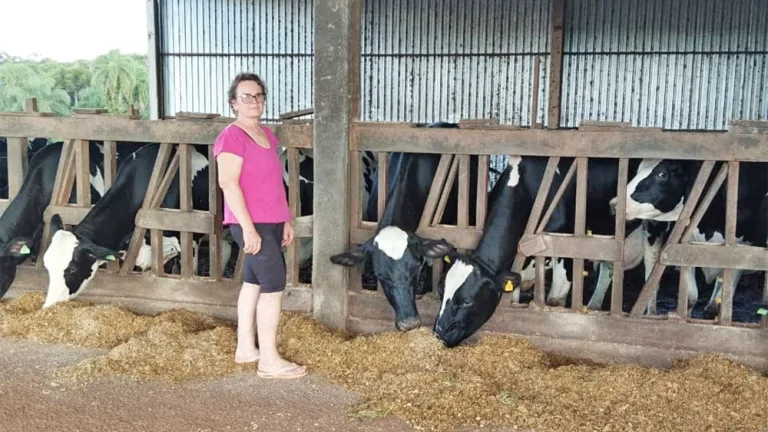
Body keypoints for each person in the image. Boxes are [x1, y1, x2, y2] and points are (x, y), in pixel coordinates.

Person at [213, 72, 307, 380]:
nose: (253, 102)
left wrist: (286, 219)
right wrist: (248, 228)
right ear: (233, 103)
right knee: (274, 287)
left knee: (253, 283)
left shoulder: (268, 134)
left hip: (271, 221)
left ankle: (245, 348)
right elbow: (227, 182)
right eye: (246, 97)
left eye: (258, 96)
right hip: (250, 223)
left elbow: (274, 183)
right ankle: (269, 360)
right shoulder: (231, 136)